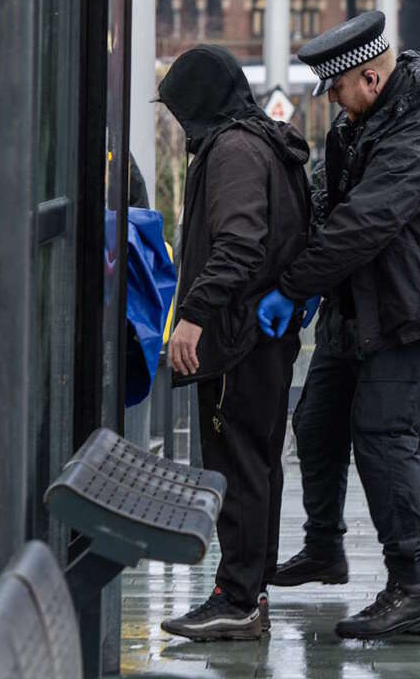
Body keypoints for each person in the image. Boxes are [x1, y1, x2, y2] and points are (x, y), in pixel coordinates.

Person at [256, 11, 420, 639]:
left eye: (337, 88)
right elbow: (328, 202)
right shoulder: (361, 123)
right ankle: (325, 547)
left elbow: (364, 222)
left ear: (370, 75)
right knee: (318, 417)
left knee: (389, 427)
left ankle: (417, 585)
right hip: (374, 298)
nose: (332, 103)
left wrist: (293, 288)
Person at [156, 45, 312, 641]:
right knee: (258, 461)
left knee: (237, 464)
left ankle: (238, 598)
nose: (177, 123)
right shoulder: (265, 141)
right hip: (263, 335)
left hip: (234, 337)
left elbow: (240, 244)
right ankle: (250, 588)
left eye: (179, 109)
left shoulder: (234, 151)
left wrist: (193, 316)